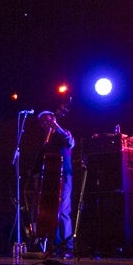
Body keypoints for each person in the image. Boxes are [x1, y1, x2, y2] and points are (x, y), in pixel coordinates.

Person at [32, 110, 76, 257]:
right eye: (43, 122)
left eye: (47, 120)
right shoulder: (46, 140)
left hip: (64, 176)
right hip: (49, 180)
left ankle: (68, 246)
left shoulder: (63, 133)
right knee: (51, 213)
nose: (45, 123)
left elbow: (70, 142)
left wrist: (56, 125)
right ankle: (56, 246)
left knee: (63, 211)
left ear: (54, 118)